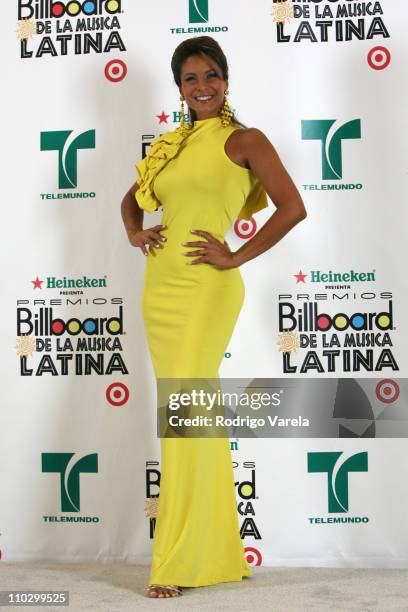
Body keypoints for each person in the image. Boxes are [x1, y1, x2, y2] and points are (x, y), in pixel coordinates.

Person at [120, 36, 307, 599]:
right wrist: (135, 231)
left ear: (226, 79)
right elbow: (131, 200)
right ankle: (213, 551)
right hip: (161, 289)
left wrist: (234, 254)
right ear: (179, 89)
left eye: (211, 76)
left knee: (185, 417)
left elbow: (292, 207)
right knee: (188, 418)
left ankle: (177, 560)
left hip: (206, 288)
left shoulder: (244, 140)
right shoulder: (172, 145)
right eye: (190, 80)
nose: (202, 87)